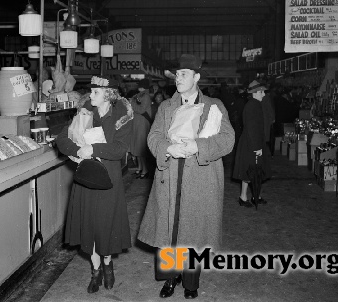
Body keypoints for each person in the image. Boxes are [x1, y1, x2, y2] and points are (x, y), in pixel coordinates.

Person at [138, 54, 235, 299]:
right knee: (170, 229)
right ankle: (170, 279)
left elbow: (227, 139)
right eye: (177, 74)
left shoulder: (214, 106)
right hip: (170, 176)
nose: (178, 78)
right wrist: (167, 148)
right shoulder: (167, 107)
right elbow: (153, 137)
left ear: (197, 77)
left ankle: (191, 282)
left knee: (193, 231)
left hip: (201, 178)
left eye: (184, 74)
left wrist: (198, 147)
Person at [55, 75, 134, 293]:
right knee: (89, 226)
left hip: (109, 180)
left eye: (96, 92)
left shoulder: (122, 117)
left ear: (108, 95)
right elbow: (62, 139)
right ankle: (96, 271)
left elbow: (119, 149)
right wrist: (77, 150)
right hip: (85, 179)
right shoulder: (84, 112)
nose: (91, 95)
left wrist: (94, 149)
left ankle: (108, 266)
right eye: (91, 91)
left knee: (105, 227)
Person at [232, 80, 272, 208]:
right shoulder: (253, 105)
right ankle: (246, 197)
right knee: (252, 170)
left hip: (252, 142)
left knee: (252, 170)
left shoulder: (254, 104)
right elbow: (252, 128)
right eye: (262, 92)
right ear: (255, 93)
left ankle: (253, 196)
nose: (264, 94)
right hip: (252, 144)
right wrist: (257, 148)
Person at [129, 78, 152, 179]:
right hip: (137, 123)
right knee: (136, 147)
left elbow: (142, 110)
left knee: (140, 148)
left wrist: (132, 104)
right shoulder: (139, 95)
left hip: (142, 124)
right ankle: (140, 168)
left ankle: (145, 170)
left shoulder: (145, 96)